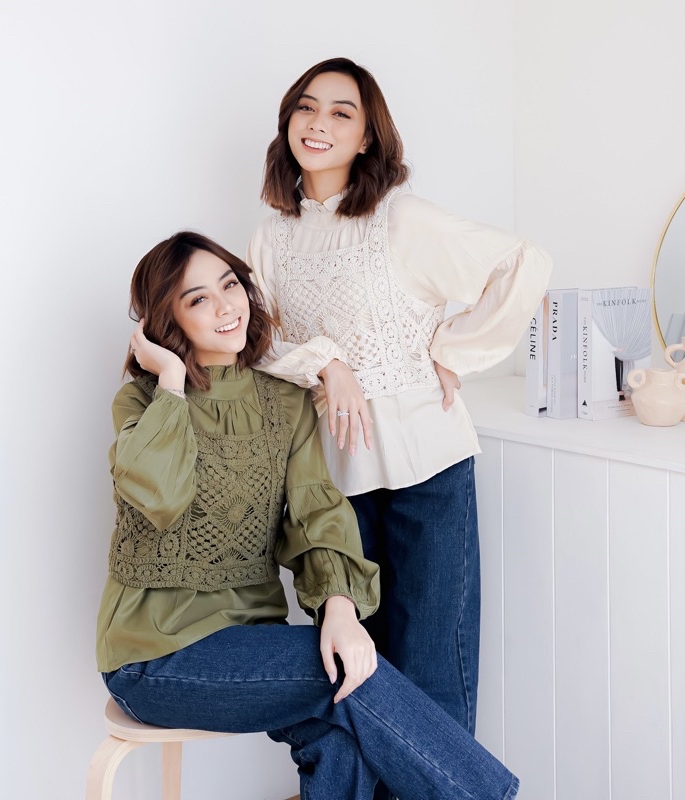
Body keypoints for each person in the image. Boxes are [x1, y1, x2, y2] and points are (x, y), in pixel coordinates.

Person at [96, 230, 520, 800]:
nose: (225, 306)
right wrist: (171, 380)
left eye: (229, 285)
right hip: (154, 656)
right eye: (197, 299)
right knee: (348, 671)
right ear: (166, 321)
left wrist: (339, 608)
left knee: (342, 721)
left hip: (250, 640)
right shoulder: (143, 402)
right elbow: (161, 497)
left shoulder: (283, 400)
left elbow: (315, 512)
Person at [247, 57, 553, 743]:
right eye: (306, 107)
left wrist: (454, 350)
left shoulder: (400, 218)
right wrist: (327, 365)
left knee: (434, 671)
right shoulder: (272, 237)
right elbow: (254, 340)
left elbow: (521, 262)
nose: (318, 123)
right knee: (355, 677)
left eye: (341, 112)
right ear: (287, 122)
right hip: (332, 482)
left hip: (429, 470)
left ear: (367, 137)